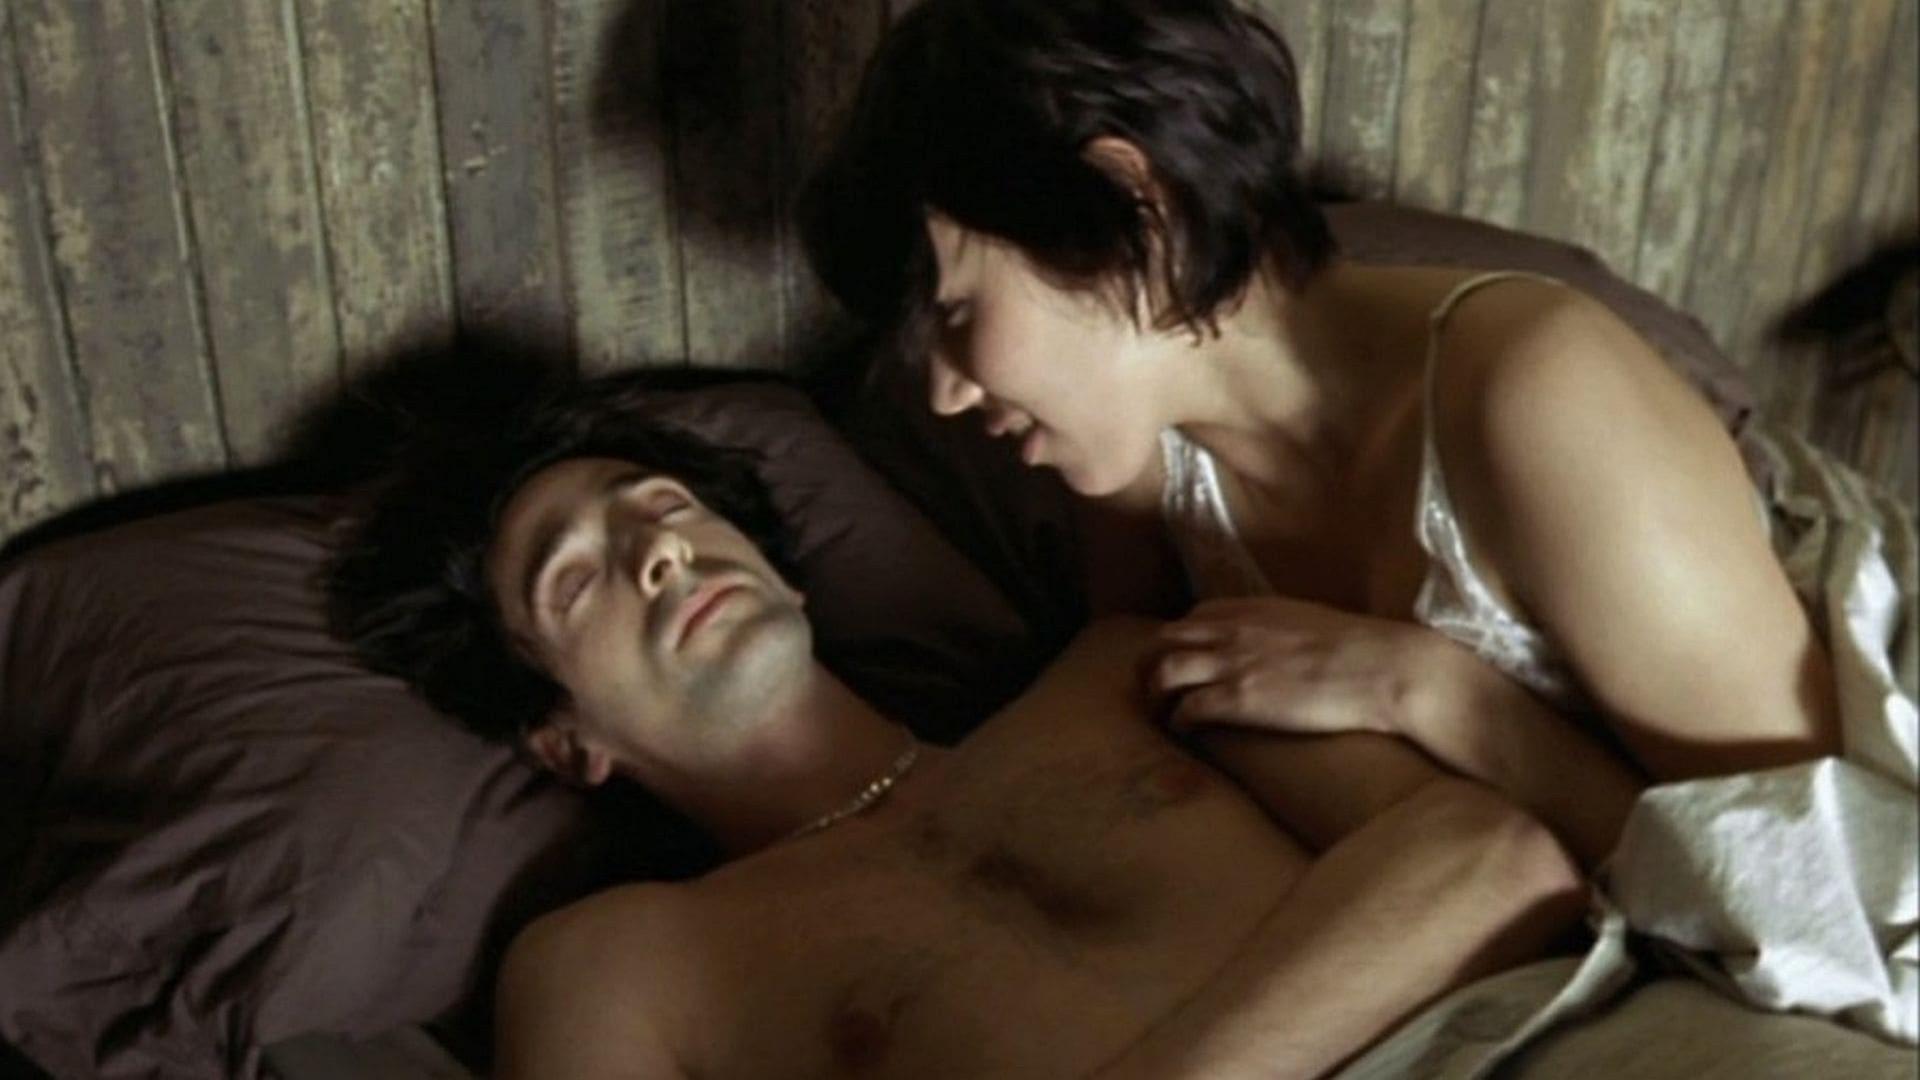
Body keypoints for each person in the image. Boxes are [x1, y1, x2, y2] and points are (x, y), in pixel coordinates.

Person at [799, 0, 1918, 1042]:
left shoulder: (1538, 400)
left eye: (956, 311)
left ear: (1134, 208)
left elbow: (1823, 902)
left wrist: (1442, 699)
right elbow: (1149, 728)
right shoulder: (1140, 468)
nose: (942, 391)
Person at [328, 376, 1582, 1078]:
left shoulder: (1119, 675)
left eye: (664, 507)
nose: (660, 551)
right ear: (565, 742)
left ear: (778, 566)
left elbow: (1495, 862)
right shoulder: (616, 964)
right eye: (577, 579)